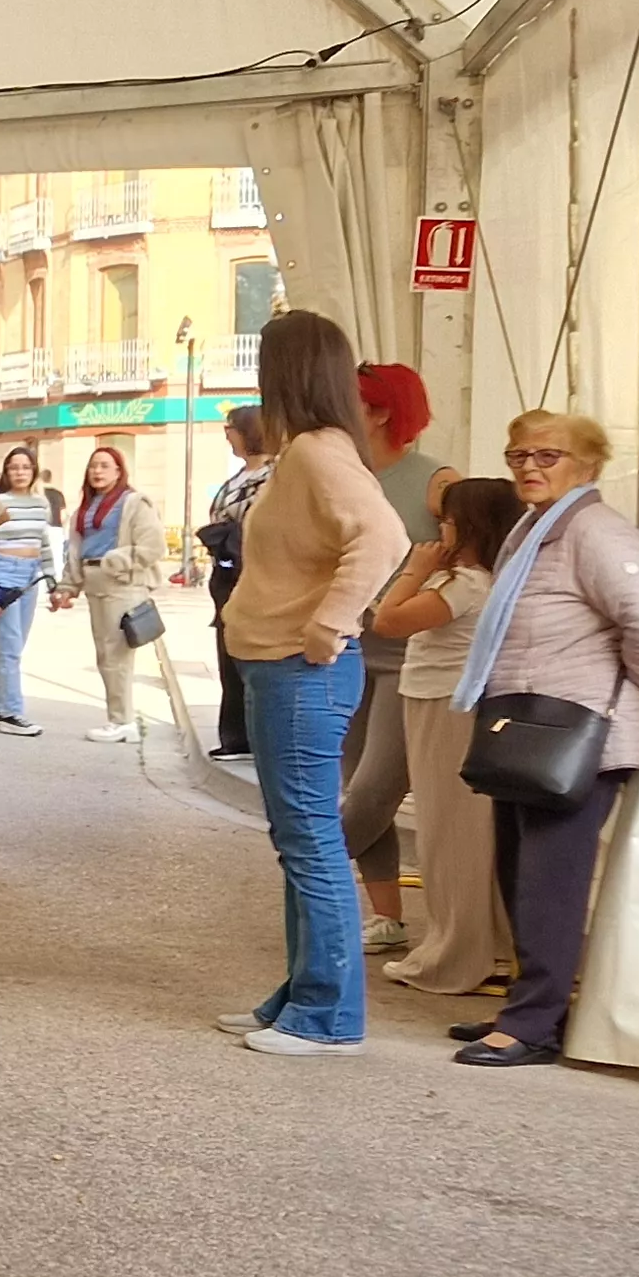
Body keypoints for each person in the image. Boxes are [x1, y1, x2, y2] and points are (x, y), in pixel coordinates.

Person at [444, 410, 639, 1068]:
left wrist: (621, 687)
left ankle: (534, 1026)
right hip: (527, 726)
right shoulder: (538, 526)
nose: (528, 466)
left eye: (547, 456)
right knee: (520, 874)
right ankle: (529, 1007)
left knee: (550, 882)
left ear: (588, 463)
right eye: (518, 454)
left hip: (574, 732)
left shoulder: (598, 533)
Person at [211, 312, 410, 1057]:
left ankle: (327, 1016)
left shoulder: (319, 454)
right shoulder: (314, 451)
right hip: (284, 666)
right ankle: (301, 994)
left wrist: (331, 622)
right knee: (299, 839)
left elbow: (382, 536)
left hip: (302, 669)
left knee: (312, 842)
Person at [368, 476, 523, 996]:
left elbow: (386, 620)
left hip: (445, 706)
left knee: (449, 832)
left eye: (448, 520)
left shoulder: (464, 584)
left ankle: (458, 949)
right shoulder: (484, 580)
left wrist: (414, 571)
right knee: (463, 831)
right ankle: (488, 946)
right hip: (447, 702)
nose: (440, 529)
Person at [341, 363, 459, 955]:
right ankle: (385, 916)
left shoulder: (436, 480)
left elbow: (467, 564)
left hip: (409, 652)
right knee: (355, 786)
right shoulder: (340, 472)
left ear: (383, 411)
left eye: (351, 400)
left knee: (372, 791)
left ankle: (309, 872)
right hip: (342, 647)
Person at [69, 443, 168, 745]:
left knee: (116, 656)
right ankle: (119, 718)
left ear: (118, 471)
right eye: (93, 465)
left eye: (104, 466)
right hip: (94, 584)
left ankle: (122, 721)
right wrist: (67, 586)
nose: (97, 471)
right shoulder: (84, 509)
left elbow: (153, 547)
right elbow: (75, 550)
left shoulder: (134, 503)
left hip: (123, 584)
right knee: (106, 655)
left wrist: (119, 560)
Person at [198, 404, 273, 760]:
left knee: (248, 652)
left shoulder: (272, 476)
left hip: (253, 571)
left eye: (229, 428)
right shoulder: (240, 476)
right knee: (227, 649)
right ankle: (234, 734)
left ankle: (249, 736)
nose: (226, 434)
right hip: (225, 570)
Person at [0, 446, 65, 736]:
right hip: (4, 576)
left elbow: (43, 543)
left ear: (34, 471)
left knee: (13, 648)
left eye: (25, 467)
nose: (19, 472)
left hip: (30, 578)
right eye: (14, 467)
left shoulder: (41, 504)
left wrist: (52, 579)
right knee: (11, 648)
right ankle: (12, 712)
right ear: (6, 471)